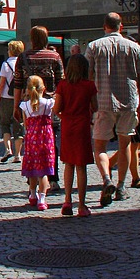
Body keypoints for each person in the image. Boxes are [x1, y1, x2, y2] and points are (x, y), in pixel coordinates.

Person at [86, 12, 140, 208]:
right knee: (125, 145)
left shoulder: (94, 46)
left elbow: (88, 76)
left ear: (104, 26)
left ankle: (106, 179)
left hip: (103, 101)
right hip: (128, 101)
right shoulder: (134, 47)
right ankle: (121, 187)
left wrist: (90, 101)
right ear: (120, 27)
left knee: (100, 147)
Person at [14, 27, 64, 193]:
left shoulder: (23, 57)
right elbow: (61, 83)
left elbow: (18, 83)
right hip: (50, 106)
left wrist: (16, 106)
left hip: (29, 106)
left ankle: (32, 179)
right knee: (51, 144)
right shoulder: (54, 56)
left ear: (32, 39)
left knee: (31, 143)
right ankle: (53, 178)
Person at [53, 53, 96, 217]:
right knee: (81, 166)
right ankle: (82, 205)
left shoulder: (63, 85)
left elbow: (56, 109)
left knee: (68, 164)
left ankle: (67, 200)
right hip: (83, 126)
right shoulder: (89, 85)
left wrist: (65, 117)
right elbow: (96, 106)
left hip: (68, 127)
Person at [20, 76, 56, 210]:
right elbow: (52, 117)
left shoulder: (25, 106)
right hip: (45, 139)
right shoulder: (48, 104)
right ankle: (42, 198)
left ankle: (33, 195)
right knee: (43, 171)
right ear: (43, 88)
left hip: (32, 139)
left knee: (32, 169)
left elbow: (25, 124)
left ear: (27, 90)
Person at [0, 40, 25, 163]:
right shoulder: (23, 64)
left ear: (11, 51)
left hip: (6, 98)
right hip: (20, 99)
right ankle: (18, 155)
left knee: (5, 124)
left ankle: (8, 149)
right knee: (18, 126)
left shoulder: (5, 64)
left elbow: (1, 84)